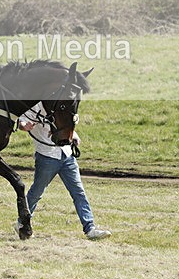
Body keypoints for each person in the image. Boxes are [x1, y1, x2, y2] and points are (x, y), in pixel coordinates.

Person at [16, 102, 112, 240]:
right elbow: (21, 120)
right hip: (46, 156)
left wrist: (74, 135)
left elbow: (65, 122)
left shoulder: (57, 104)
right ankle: (22, 222)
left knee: (78, 192)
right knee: (36, 193)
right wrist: (23, 126)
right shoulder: (33, 105)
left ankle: (90, 228)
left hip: (67, 155)